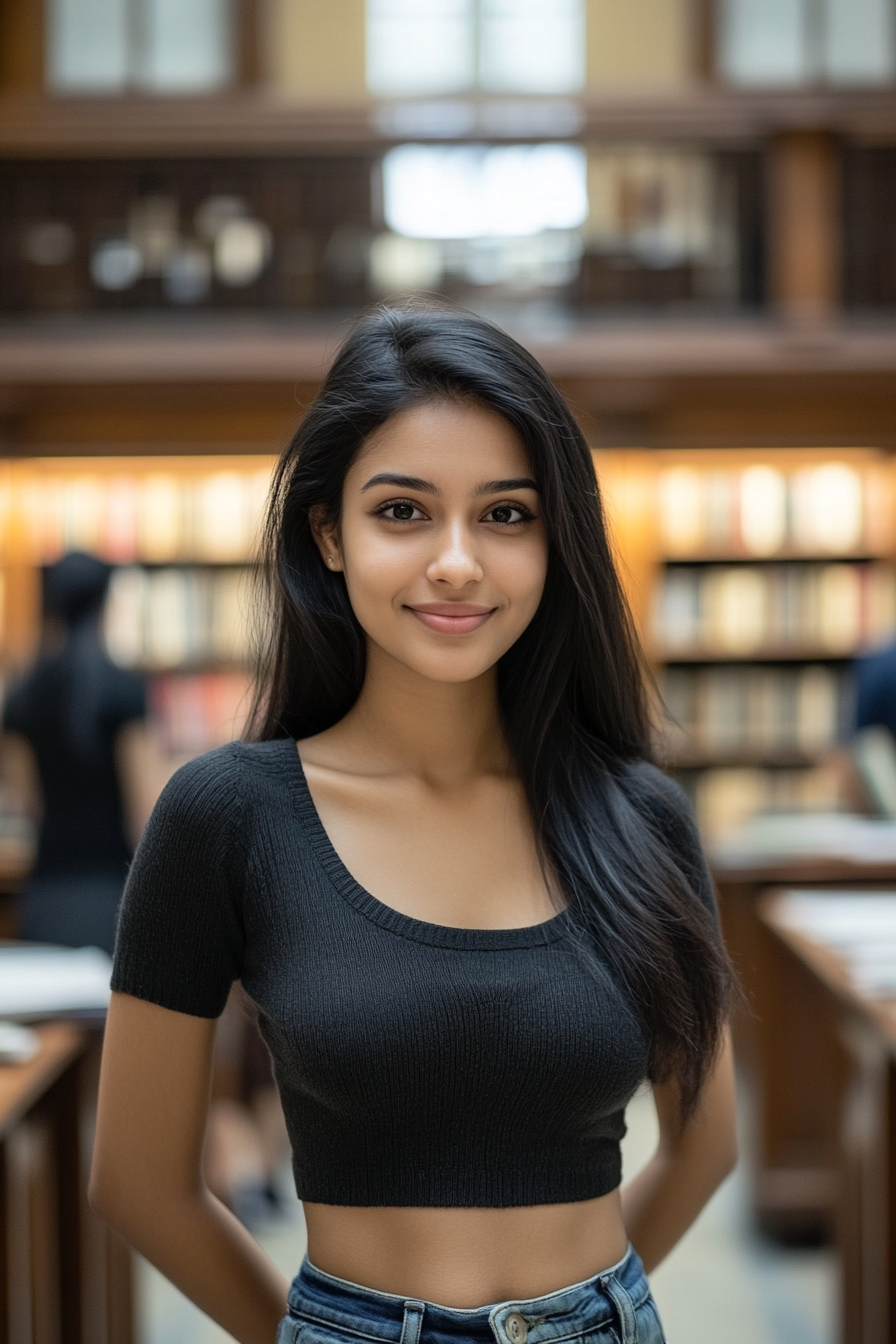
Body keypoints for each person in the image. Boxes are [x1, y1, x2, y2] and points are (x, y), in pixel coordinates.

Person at [90, 306, 737, 1344]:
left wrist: (586, 1316)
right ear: (327, 534)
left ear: (553, 541)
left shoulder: (638, 816)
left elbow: (706, 1146)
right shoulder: (227, 815)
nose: (454, 563)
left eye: (506, 515)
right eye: (402, 512)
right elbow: (135, 1182)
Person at [2, 550, 155, 955]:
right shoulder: (123, 688)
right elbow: (144, 811)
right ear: (104, 603)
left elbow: (26, 801)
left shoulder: (23, 694)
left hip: (47, 889)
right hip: (112, 892)